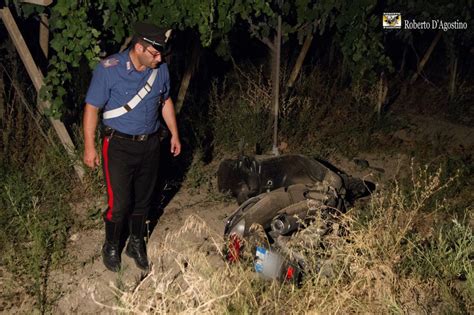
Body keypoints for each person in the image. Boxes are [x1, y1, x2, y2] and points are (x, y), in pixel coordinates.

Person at [83, 22, 181, 272]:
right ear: (139, 47)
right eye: (155, 53)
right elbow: (92, 107)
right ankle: (111, 244)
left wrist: (174, 134)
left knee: (144, 200)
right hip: (118, 145)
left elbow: (165, 101)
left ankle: (136, 243)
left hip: (150, 144)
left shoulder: (161, 70)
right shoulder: (109, 70)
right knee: (120, 203)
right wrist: (89, 147)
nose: (160, 58)